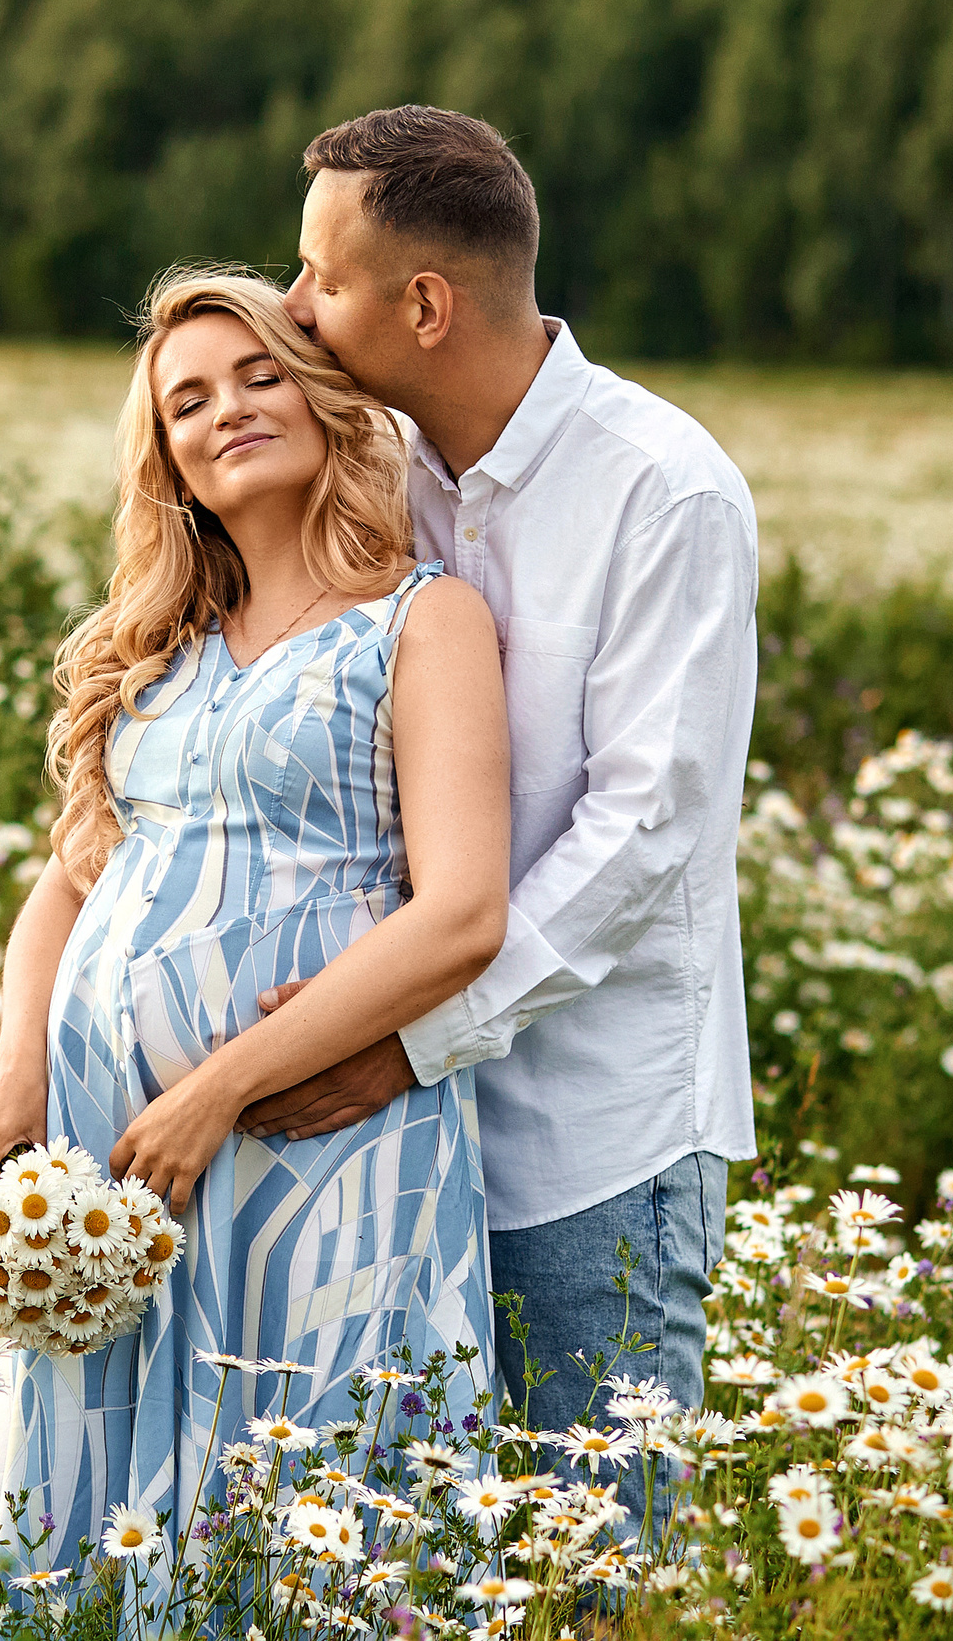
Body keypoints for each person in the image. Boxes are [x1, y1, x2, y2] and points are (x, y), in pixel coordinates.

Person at [0, 267, 513, 1570]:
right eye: (188, 401)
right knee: (85, 1473)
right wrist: (19, 1060)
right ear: (171, 461)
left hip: (313, 1133)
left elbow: (464, 915)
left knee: (307, 1473)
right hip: (112, 1163)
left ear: (323, 401)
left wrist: (220, 1090)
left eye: (261, 375)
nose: (230, 412)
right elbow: (71, 879)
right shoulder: (159, 648)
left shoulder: (422, 623)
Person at [258, 104, 759, 1516]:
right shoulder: (373, 472)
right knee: (426, 1555)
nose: (296, 305)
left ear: (424, 303)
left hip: (587, 1137)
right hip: (388, 1136)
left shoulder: (667, 492)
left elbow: (645, 834)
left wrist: (412, 1038)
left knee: (598, 1558)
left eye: (323, 278)